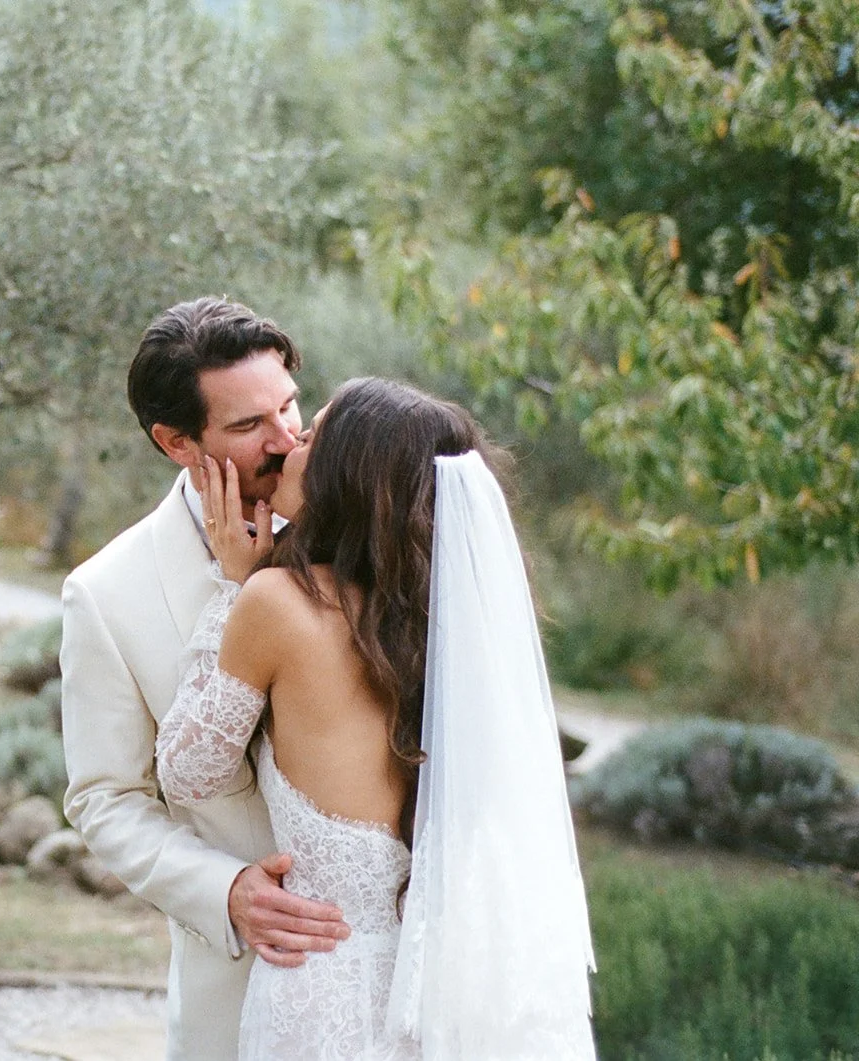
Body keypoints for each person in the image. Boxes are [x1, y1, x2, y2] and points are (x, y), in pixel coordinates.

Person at [156, 377, 597, 1059]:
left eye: (307, 437)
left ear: (346, 477)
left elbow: (187, 771)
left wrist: (231, 585)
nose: (288, 448)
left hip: (319, 997)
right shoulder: (442, 628)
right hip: (435, 997)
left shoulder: (273, 601)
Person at [60, 297, 352, 1061]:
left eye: (290, 405)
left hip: (386, 964)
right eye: (251, 425)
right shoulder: (106, 593)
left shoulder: (363, 538)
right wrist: (224, 891)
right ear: (177, 442)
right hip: (237, 989)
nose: (288, 440)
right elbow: (104, 797)